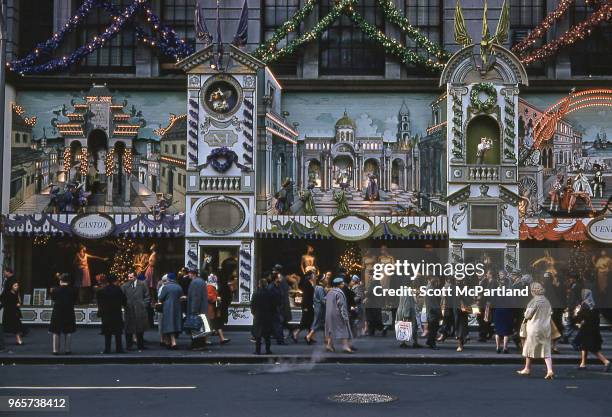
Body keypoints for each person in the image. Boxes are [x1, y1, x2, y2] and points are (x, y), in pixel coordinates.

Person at [517, 282, 554, 380]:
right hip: (546, 328)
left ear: (533, 291)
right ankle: (549, 370)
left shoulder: (534, 302)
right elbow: (551, 312)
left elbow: (527, 315)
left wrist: (525, 312)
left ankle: (527, 368)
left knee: (529, 348)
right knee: (546, 350)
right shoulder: (546, 301)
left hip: (534, 328)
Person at [573, 289, 611, 372]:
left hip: (587, 329)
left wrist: (576, 315)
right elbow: (596, 318)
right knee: (585, 346)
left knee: (592, 348)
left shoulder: (584, 305)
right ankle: (582, 364)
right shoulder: (593, 304)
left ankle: (606, 361)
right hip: (593, 329)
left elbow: (580, 316)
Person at [96, 274, 127, 354]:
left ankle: (107, 349)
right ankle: (119, 348)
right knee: (118, 333)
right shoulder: (118, 290)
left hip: (106, 314)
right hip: (116, 313)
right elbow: (124, 301)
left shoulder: (102, 290)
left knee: (107, 333)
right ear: (115, 280)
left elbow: (100, 303)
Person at [121, 271, 150, 351]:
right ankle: (129, 346)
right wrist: (125, 305)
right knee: (128, 328)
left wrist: (144, 305)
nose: (129, 279)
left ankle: (140, 345)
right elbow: (122, 297)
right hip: (129, 310)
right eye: (128, 277)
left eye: (131, 277)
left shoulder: (142, 284)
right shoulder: (124, 286)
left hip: (140, 309)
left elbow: (147, 296)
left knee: (140, 328)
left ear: (135, 277)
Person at [49, 273, 77, 355]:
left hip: (57, 311)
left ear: (60, 281)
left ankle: (55, 350)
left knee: (56, 331)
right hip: (69, 311)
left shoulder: (55, 290)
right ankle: (67, 350)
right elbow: (75, 300)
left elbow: (53, 299)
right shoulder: (73, 290)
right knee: (68, 331)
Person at [325, 277, 354, 353]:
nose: (343, 284)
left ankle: (329, 345)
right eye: (341, 283)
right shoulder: (339, 293)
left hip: (329, 314)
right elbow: (342, 306)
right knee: (343, 329)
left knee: (331, 329)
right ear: (338, 285)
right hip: (338, 315)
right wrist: (345, 316)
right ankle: (345, 346)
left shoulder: (329, 292)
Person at [158, 273, 183, 349]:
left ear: (168, 279)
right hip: (177, 307)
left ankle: (172, 342)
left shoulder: (166, 287)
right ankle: (170, 342)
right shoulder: (179, 287)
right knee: (174, 323)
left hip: (168, 307)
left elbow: (161, 297)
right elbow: (181, 296)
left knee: (169, 324)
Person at [251, 279, 275, 355]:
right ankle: (268, 350)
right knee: (267, 334)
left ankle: (258, 350)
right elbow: (273, 305)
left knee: (258, 334)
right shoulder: (270, 293)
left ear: (259, 284)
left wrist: (254, 313)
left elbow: (252, 305)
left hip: (258, 315)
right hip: (267, 315)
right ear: (266, 284)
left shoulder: (256, 293)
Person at [186, 268, 208, 349]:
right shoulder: (201, 281)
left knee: (195, 327)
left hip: (197, 310)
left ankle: (196, 345)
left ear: (193, 274)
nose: (188, 274)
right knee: (201, 328)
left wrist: (193, 310)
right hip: (202, 309)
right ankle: (201, 344)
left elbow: (196, 297)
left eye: (189, 273)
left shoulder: (195, 282)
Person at [492, 272, 513, 354]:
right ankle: (505, 347)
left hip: (498, 311)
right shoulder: (509, 291)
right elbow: (512, 302)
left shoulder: (496, 291)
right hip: (507, 311)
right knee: (506, 331)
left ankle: (497, 347)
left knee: (498, 331)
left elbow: (493, 302)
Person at [293, 269, 316, 343]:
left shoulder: (309, 283)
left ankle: (310, 336)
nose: (314, 276)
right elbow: (306, 296)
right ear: (310, 276)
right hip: (307, 305)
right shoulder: (307, 283)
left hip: (309, 305)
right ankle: (296, 333)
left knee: (310, 321)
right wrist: (305, 307)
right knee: (305, 321)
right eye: (313, 275)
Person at [207, 273, 231, 344]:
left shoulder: (211, 286)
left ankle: (221, 338)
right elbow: (209, 297)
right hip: (211, 309)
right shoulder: (210, 287)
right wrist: (217, 298)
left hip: (212, 309)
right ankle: (220, 338)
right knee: (212, 324)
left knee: (214, 324)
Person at [396, 284, 419, 349]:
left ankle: (407, 343)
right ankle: (405, 343)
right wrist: (406, 315)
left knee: (404, 327)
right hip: (407, 312)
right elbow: (407, 304)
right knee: (407, 327)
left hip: (404, 311)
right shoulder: (407, 292)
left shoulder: (404, 290)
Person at [1, 280, 24, 345]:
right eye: (15, 286)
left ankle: (19, 340)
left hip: (15, 312)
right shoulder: (7, 293)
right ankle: (18, 340)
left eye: (17, 285)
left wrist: (19, 303)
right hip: (9, 312)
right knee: (9, 327)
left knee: (16, 326)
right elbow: (5, 302)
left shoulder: (16, 293)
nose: (17, 287)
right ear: (11, 286)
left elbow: (19, 301)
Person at [307, 274, 327, 343]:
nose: (326, 280)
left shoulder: (317, 287)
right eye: (325, 279)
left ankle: (326, 338)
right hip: (320, 308)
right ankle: (309, 336)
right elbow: (322, 300)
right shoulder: (320, 288)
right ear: (322, 280)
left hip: (317, 307)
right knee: (317, 323)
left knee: (322, 323)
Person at [425, 276, 442, 349]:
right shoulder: (431, 289)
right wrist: (439, 313)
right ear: (435, 282)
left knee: (432, 327)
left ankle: (429, 341)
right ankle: (432, 343)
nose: (438, 284)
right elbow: (433, 303)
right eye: (437, 282)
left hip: (430, 311)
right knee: (433, 328)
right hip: (433, 312)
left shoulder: (429, 288)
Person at [156, 274, 169, 346]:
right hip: (163, 307)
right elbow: (160, 297)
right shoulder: (163, 288)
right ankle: (164, 339)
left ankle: (162, 339)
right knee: (163, 323)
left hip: (161, 307)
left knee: (161, 324)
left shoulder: (162, 287)